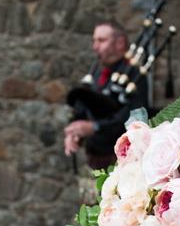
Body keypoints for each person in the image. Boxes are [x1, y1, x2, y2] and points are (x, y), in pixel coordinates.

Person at [64, 21, 151, 169]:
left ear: (120, 43)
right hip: (94, 157)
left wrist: (96, 127)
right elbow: (85, 107)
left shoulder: (135, 75)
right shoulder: (97, 73)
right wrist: (74, 132)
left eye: (101, 40)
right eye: (94, 40)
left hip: (121, 161)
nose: (95, 46)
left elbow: (132, 117)